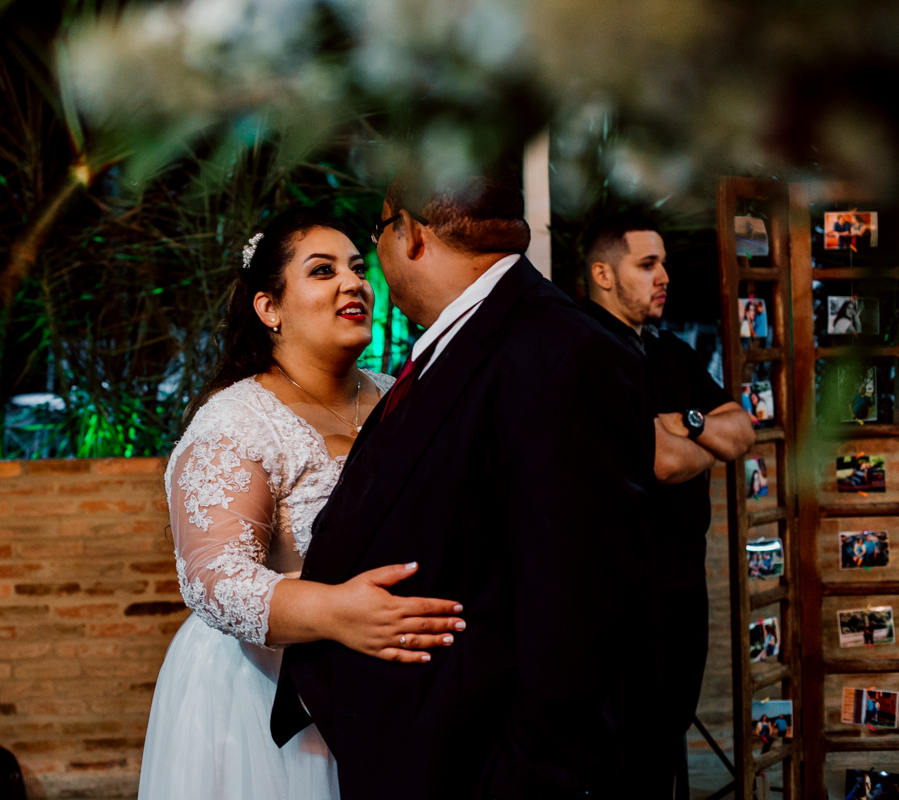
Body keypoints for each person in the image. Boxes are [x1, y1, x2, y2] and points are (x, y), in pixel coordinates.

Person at [272, 168, 658, 799]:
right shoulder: (470, 339)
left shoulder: (565, 355)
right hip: (411, 749)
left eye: (378, 233)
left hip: (479, 768)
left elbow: (577, 617)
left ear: (413, 236)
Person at [138, 208, 465, 800]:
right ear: (270, 309)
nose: (354, 283)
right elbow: (214, 579)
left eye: (357, 268)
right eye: (322, 271)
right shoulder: (237, 421)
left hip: (390, 687)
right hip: (265, 693)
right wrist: (339, 613)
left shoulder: (398, 396)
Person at [579, 212, 756, 799]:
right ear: (603, 274)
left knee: (669, 731)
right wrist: (702, 441)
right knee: (631, 752)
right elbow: (663, 463)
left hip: (683, 581)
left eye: (664, 264)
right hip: (625, 592)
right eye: (647, 264)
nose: (665, 277)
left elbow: (743, 432)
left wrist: (688, 421)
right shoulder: (587, 350)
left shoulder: (669, 351)